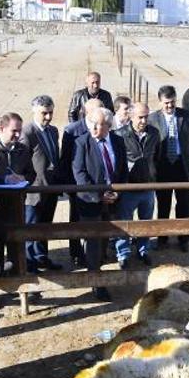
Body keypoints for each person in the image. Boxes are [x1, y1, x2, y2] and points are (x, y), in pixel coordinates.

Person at [72, 108, 128, 301]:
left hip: (112, 201)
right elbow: (79, 174)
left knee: (106, 238)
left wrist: (118, 191)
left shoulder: (118, 141)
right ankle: (96, 282)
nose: (95, 128)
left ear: (109, 125)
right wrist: (99, 195)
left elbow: (122, 170)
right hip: (90, 201)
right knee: (93, 241)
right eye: (92, 123)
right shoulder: (81, 143)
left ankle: (101, 266)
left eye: (100, 124)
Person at [0, 113, 36, 284]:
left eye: (20, 131)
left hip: (16, 208)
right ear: (1, 128)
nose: (18, 135)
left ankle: (19, 287)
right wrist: (3, 180)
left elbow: (31, 173)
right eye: (14, 131)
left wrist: (23, 178)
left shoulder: (23, 149)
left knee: (16, 249)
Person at [148, 85, 189, 252]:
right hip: (163, 168)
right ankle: (162, 238)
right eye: (166, 103)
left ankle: (184, 239)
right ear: (160, 102)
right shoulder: (152, 119)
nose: (170, 106)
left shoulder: (187, 116)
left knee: (184, 205)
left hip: (182, 167)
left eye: (173, 102)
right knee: (163, 205)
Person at [115, 103, 161, 268]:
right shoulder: (120, 135)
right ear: (131, 116)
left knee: (146, 222)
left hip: (148, 186)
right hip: (129, 188)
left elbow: (157, 157)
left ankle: (143, 250)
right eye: (140, 117)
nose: (144, 120)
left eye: (146, 116)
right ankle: (123, 253)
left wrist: (153, 176)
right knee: (125, 222)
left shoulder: (154, 133)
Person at [20, 95, 63, 273]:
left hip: (51, 189)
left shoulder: (53, 131)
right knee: (31, 229)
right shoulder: (27, 132)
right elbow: (22, 163)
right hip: (34, 191)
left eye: (50, 113)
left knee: (45, 226)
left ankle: (41, 258)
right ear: (34, 111)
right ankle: (30, 266)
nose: (48, 117)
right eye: (44, 113)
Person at [60, 98, 104, 268]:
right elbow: (66, 160)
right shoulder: (73, 130)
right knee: (76, 220)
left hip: (98, 184)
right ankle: (76, 252)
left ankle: (97, 253)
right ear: (87, 112)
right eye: (97, 109)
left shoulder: (104, 126)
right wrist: (72, 187)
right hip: (78, 186)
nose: (101, 112)